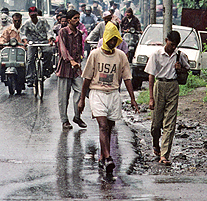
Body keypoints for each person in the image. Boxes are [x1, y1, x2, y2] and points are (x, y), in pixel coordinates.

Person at [78, 22, 139, 175]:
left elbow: (127, 79)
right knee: (103, 126)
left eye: (115, 40)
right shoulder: (95, 54)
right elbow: (86, 78)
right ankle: (108, 157)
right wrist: (81, 100)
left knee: (109, 127)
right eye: (110, 40)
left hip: (113, 93)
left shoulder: (121, 56)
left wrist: (133, 99)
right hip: (97, 92)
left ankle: (102, 156)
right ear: (105, 39)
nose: (112, 43)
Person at [144, 30, 190, 165]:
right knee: (156, 123)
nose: (173, 47)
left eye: (175, 45)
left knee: (170, 123)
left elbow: (187, 69)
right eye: (171, 44)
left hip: (173, 87)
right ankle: (156, 143)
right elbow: (151, 76)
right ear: (166, 40)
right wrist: (151, 97)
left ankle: (164, 155)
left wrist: (180, 68)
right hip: (160, 86)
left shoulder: (179, 55)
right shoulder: (156, 55)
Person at [56, 10, 86, 130]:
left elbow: (80, 50)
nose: (77, 20)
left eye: (78, 18)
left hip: (76, 69)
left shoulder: (79, 33)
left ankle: (77, 116)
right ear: (69, 21)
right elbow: (63, 49)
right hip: (65, 68)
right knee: (63, 97)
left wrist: (78, 62)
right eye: (75, 18)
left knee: (80, 91)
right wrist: (70, 60)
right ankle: (64, 120)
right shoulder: (63, 32)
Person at [21, 6, 54, 86]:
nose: (34, 17)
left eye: (35, 15)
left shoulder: (43, 21)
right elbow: (23, 34)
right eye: (32, 15)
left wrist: (50, 39)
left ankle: (46, 70)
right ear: (29, 15)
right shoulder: (27, 23)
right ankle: (29, 78)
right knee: (30, 59)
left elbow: (48, 30)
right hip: (32, 43)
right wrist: (25, 41)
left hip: (43, 41)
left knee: (49, 52)